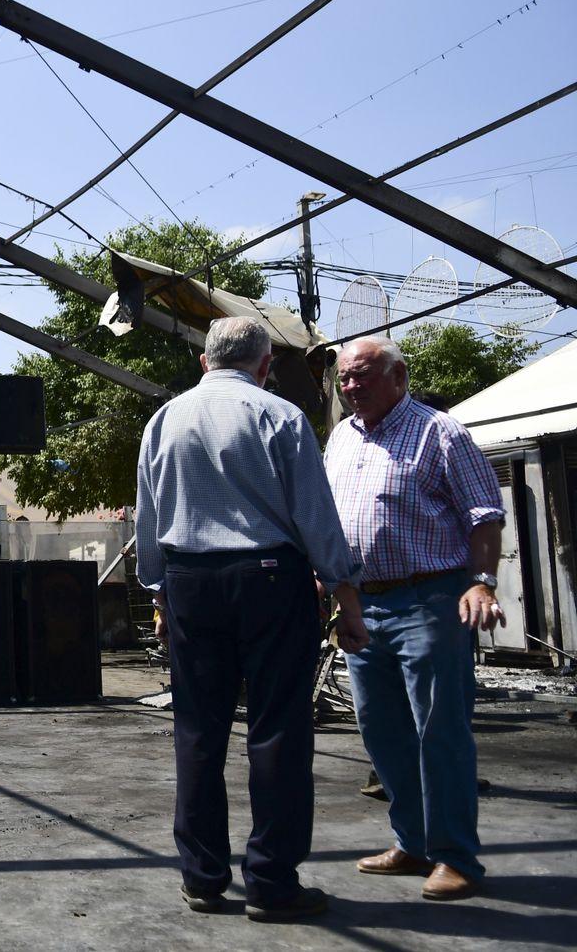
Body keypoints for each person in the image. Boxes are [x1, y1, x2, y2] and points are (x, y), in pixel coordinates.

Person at [135, 316, 368, 922]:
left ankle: (202, 878)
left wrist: (161, 597)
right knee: (278, 730)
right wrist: (345, 596)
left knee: (199, 729)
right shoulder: (280, 416)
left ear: (203, 362)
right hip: (270, 579)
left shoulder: (164, 420)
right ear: (265, 365)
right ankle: (270, 882)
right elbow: (315, 514)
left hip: (190, 582)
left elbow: (149, 520)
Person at [323, 337, 507, 902]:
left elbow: (484, 513)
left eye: (362, 376)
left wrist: (482, 581)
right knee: (382, 733)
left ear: (397, 377)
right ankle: (414, 842)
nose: (351, 387)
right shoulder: (340, 437)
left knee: (439, 733)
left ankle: (457, 858)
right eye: (345, 379)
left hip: (428, 600)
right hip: (361, 605)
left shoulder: (439, 431)